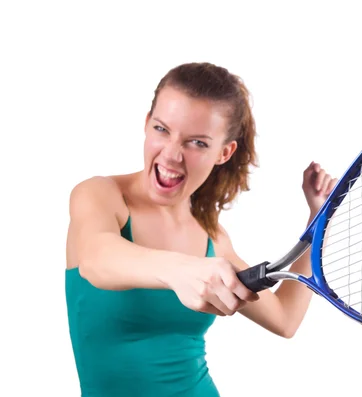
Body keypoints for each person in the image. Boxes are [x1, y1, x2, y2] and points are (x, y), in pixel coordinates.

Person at [65, 62, 337, 396]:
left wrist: (316, 219)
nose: (172, 155)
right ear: (147, 124)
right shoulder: (101, 196)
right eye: (162, 129)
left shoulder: (212, 240)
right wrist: (178, 270)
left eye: (197, 142)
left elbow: (285, 320)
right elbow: (94, 258)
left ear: (224, 152)